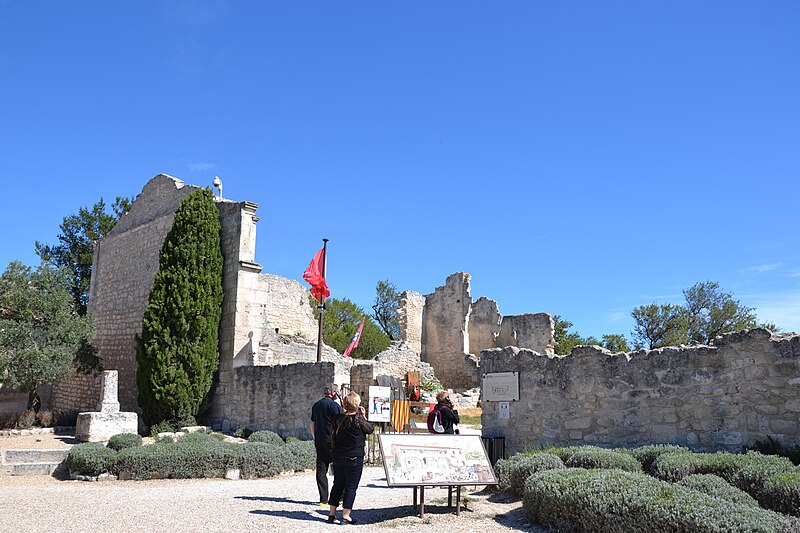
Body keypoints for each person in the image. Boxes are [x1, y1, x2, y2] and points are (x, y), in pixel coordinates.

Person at [327, 391, 374, 524]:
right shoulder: (359, 420)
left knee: (337, 485)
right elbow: (370, 429)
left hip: (338, 456)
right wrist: (364, 416)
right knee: (350, 487)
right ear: (357, 405)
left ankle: (332, 514)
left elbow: (332, 436)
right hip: (354, 457)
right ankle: (346, 515)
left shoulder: (337, 418)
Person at [310, 384, 343, 507]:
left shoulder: (316, 405)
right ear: (334, 392)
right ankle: (339, 497)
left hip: (319, 441)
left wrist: (315, 438)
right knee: (339, 469)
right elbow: (340, 422)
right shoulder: (334, 406)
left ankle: (323, 499)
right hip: (332, 441)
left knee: (321, 469)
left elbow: (312, 423)